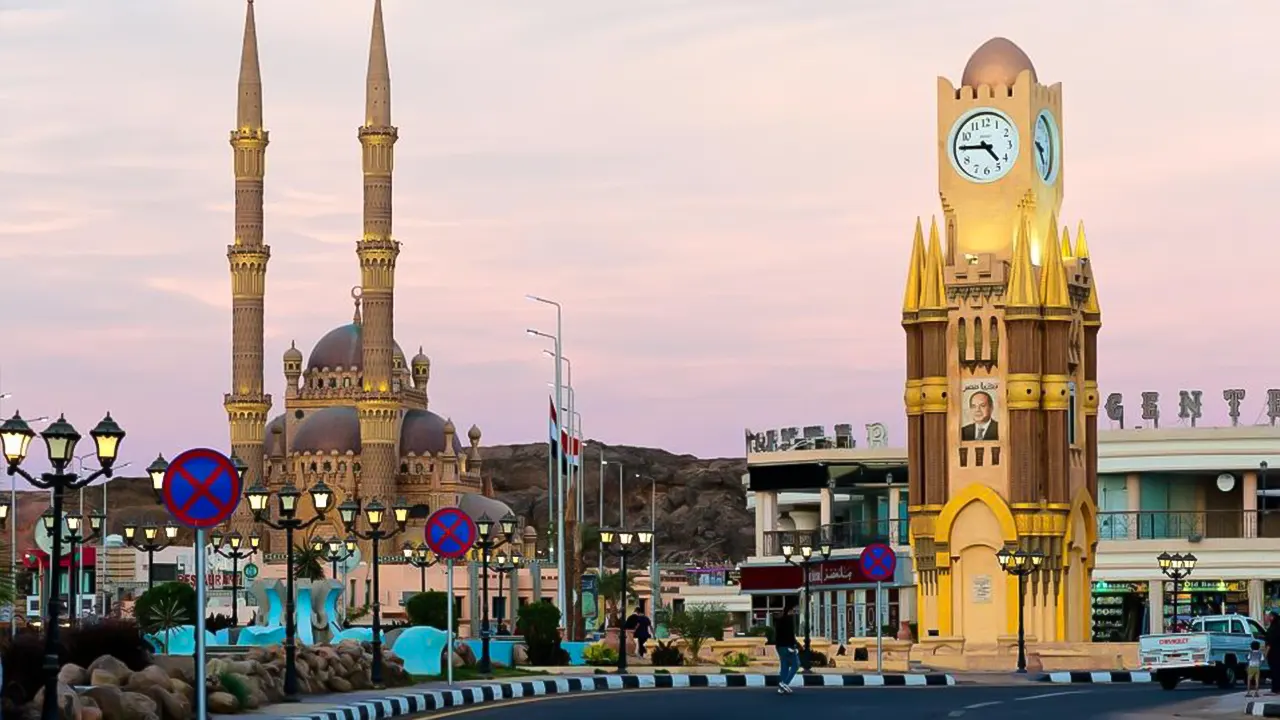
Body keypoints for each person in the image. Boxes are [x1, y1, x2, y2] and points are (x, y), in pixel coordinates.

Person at [773, 601, 800, 695]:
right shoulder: (789, 620)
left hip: (779, 646)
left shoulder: (779, 620)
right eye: (793, 610)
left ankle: (781, 689)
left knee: (784, 666)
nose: (794, 613)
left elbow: (777, 635)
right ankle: (784, 683)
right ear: (789, 610)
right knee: (796, 664)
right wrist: (794, 646)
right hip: (787, 646)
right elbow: (790, 635)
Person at [1266, 611, 1280, 695]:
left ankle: (1275, 689)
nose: (1267, 618)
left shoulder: (1272, 630)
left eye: (1269, 616)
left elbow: (1269, 644)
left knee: (1275, 671)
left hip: (1273, 654)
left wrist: (1265, 655)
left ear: (1272, 618)